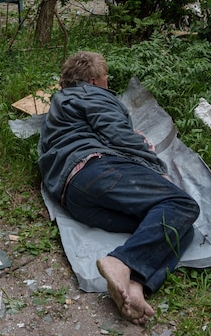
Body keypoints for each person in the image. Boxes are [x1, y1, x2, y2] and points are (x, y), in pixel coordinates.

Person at [38, 51, 200, 325]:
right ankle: (118, 261)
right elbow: (118, 134)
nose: (108, 83)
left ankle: (135, 283)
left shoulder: (61, 104)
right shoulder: (92, 94)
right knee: (182, 204)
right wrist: (156, 169)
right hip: (95, 170)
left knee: (178, 227)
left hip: (75, 196)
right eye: (105, 78)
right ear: (93, 80)